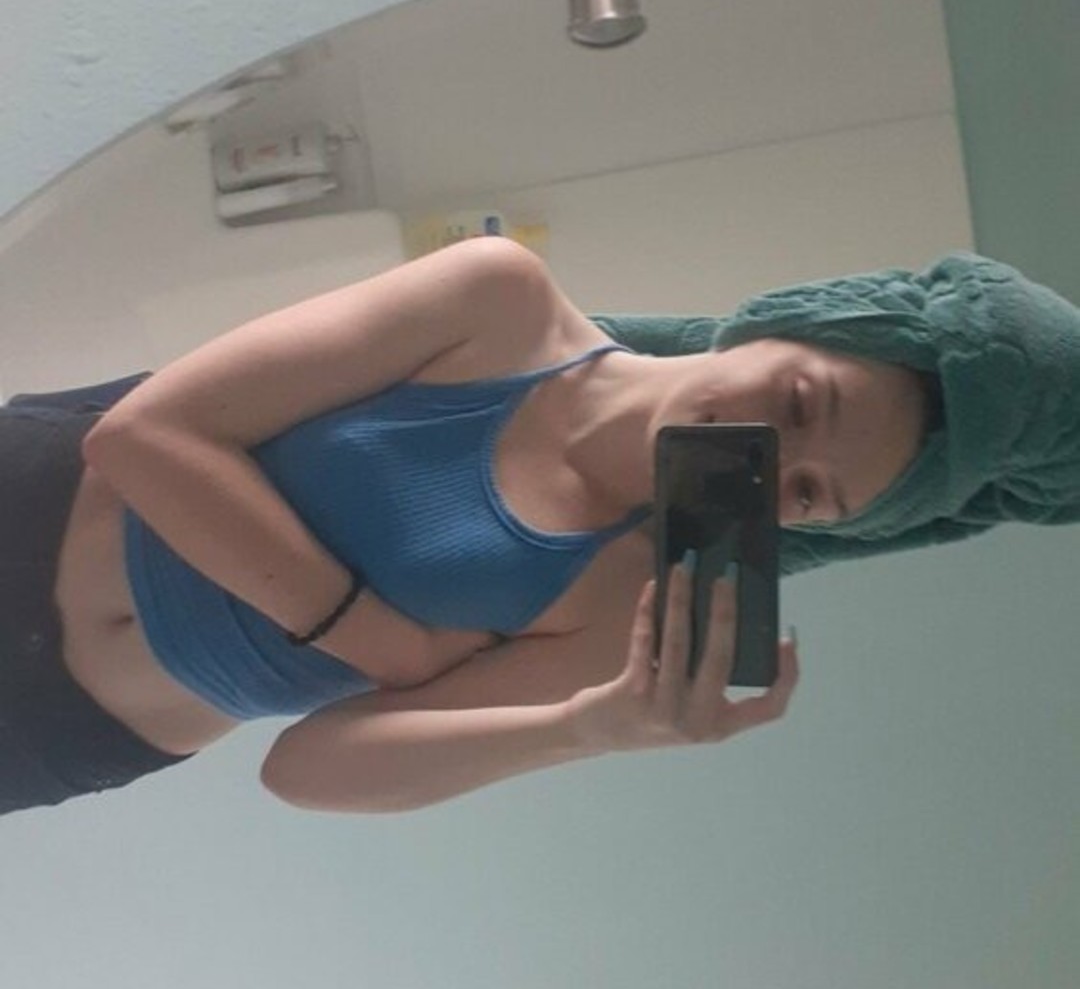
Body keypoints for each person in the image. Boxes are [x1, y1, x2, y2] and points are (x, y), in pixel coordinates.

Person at [2, 241, 1076, 818]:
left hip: (55, 732)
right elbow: (144, 438)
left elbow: (308, 769)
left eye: (803, 492)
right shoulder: (498, 302)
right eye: (798, 401)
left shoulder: (625, 611)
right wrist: (372, 634)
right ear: (784, 322)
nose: (763, 454)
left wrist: (587, 728)